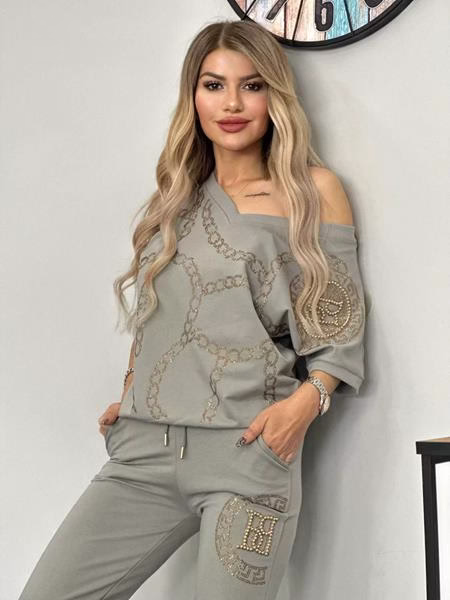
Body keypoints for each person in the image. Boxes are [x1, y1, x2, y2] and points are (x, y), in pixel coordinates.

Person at [18, 18, 366, 600]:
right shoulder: (176, 195)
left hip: (248, 454)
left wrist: (305, 406)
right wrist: (135, 390)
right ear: (193, 96)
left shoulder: (312, 191)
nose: (232, 103)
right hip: (143, 454)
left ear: (275, 97)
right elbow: (160, 309)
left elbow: (340, 321)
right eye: (214, 85)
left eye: (252, 86)